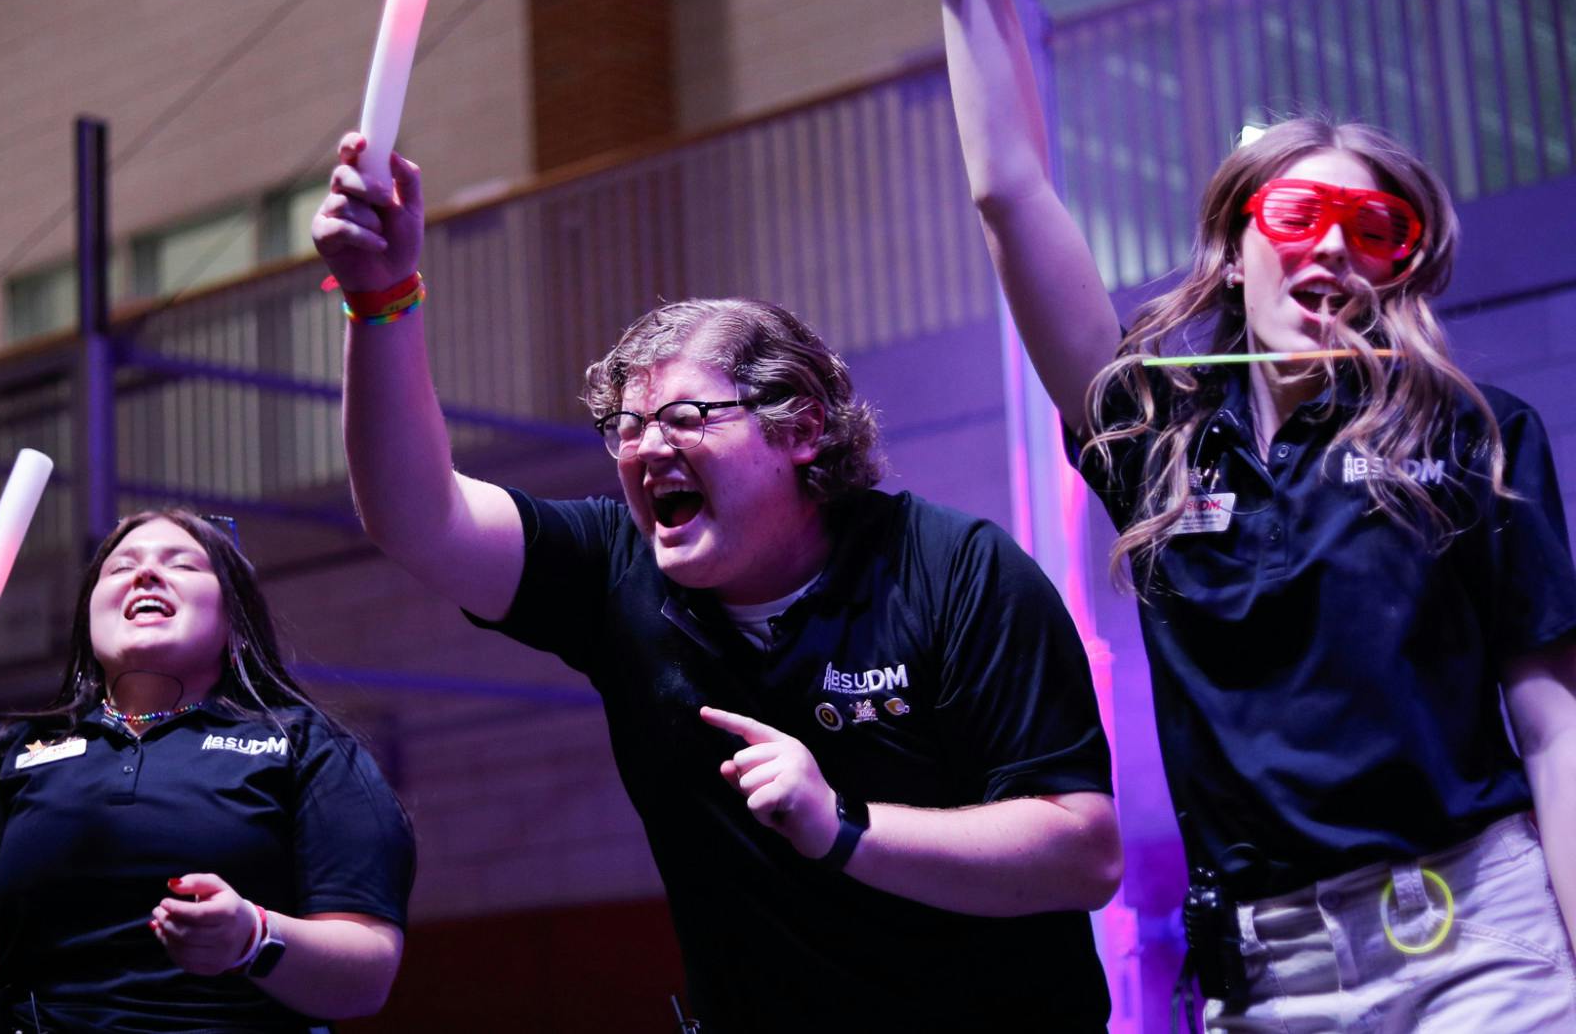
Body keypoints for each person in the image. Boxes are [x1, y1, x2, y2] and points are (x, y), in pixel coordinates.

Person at [904, 0, 1576, 1030]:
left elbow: (1555, 731)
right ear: (1234, 243)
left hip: (1483, 945)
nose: (1331, 249)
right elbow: (1008, 195)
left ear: (1404, 263)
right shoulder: (1149, 435)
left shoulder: (1476, 432)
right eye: (1298, 215)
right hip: (1270, 974)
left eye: (1372, 228)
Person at [311, 137, 1123, 1029]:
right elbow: (415, 516)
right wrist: (378, 297)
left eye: (688, 416)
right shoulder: (617, 568)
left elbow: (1080, 853)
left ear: (802, 428)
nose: (648, 446)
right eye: (626, 425)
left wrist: (842, 824)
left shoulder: (956, 571)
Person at [0, 509, 414, 1033]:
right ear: (88, 617)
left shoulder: (304, 745)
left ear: (235, 620)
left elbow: (365, 979)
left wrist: (254, 938)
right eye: (122, 566)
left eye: (181, 563)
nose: (147, 572)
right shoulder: (11, 748)